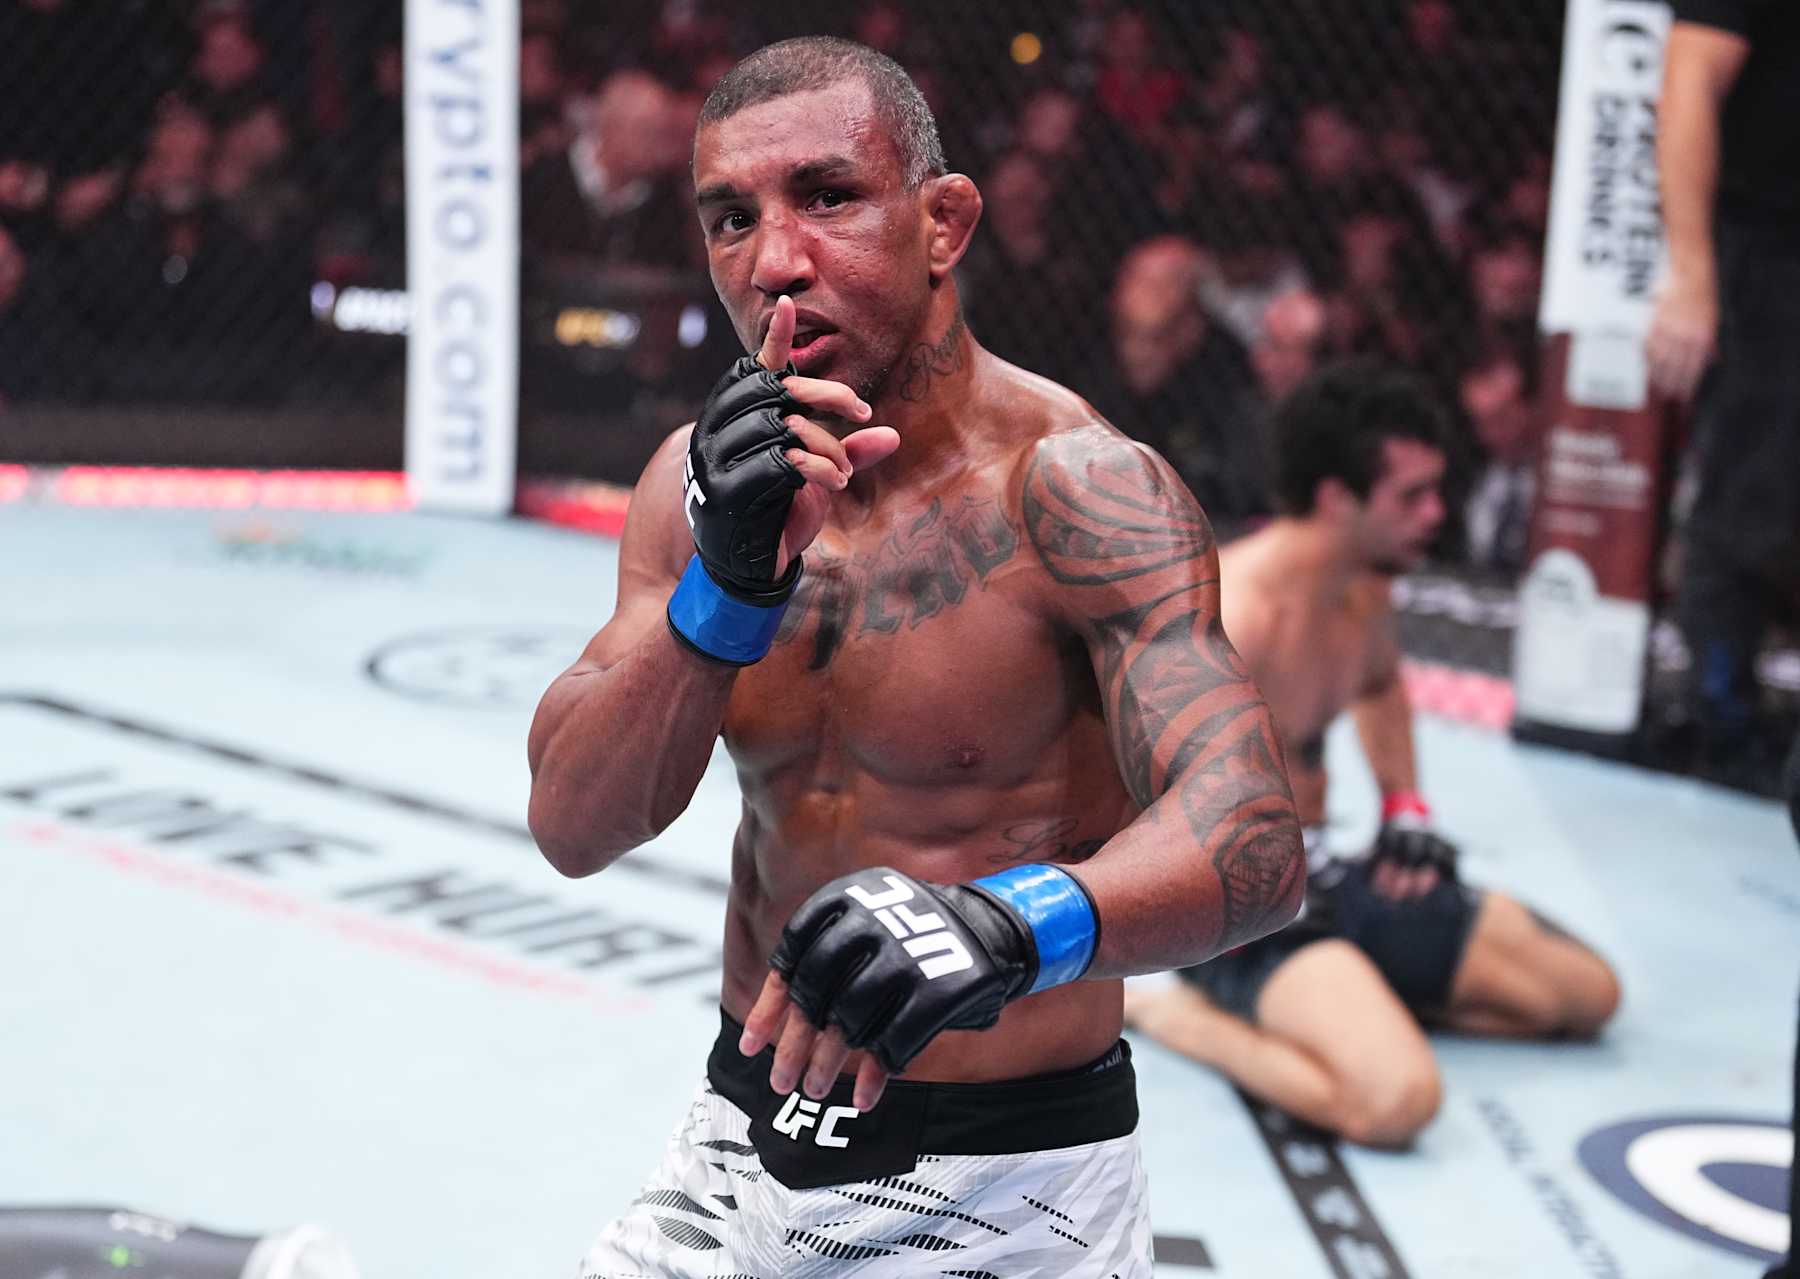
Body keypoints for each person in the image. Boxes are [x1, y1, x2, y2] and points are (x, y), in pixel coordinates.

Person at [526, 36, 1305, 1277]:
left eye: (827, 198)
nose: (776, 262)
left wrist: (1013, 924)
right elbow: (574, 824)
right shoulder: (692, 486)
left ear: (943, 222)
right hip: (738, 1134)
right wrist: (726, 594)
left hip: (1009, 1180)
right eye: (732, 219)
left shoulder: (1080, 493)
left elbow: (1256, 842)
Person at [1124, 362, 1622, 1148]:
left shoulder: (1363, 588)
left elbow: (1383, 685)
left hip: (1332, 872)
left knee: (1585, 994)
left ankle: (1353, 994)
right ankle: (1176, 1012)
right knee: (1398, 1101)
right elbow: (1151, 809)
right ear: (1335, 499)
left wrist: (1404, 810)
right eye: (1412, 496)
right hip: (1245, 912)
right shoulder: (1229, 618)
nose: (1437, 513)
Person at [1648, 1, 1800, 790]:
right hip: (1772, 250)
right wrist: (1694, 278)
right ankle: (1722, 715)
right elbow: (1687, 80)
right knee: (1755, 496)